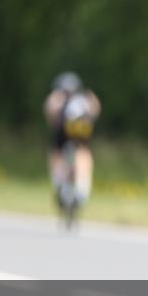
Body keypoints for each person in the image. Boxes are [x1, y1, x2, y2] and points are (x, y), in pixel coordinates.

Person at [43, 72, 102, 209]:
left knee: (56, 153)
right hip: (82, 129)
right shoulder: (85, 96)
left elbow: (49, 111)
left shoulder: (58, 96)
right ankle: (83, 188)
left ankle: (58, 183)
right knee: (83, 152)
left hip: (64, 130)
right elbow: (96, 109)